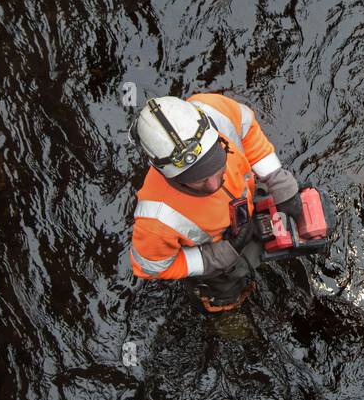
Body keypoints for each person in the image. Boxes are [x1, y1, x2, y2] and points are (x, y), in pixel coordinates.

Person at [129, 92, 304, 311]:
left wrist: (276, 180)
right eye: (198, 180)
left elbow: (247, 127)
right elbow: (150, 266)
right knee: (222, 295)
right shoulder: (156, 220)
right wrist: (215, 257)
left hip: (247, 208)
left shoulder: (212, 109)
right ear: (169, 175)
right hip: (217, 259)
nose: (213, 185)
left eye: (217, 165)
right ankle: (226, 318)